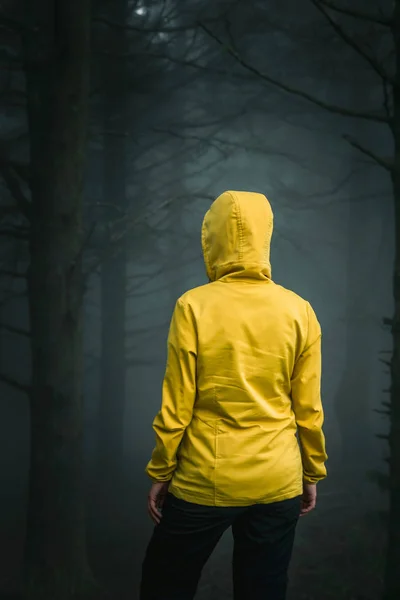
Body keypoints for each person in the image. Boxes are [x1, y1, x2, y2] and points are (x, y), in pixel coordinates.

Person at [140, 190, 328, 600]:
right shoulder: (300, 310)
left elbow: (177, 406)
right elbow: (308, 409)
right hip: (278, 479)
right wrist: (311, 471)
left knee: (164, 586)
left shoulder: (193, 306)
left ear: (213, 238)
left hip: (205, 476)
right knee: (263, 590)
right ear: (266, 238)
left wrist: (160, 472)